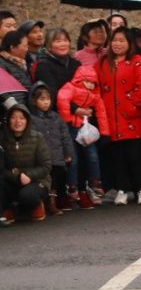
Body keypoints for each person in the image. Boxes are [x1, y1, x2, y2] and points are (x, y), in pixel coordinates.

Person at [96, 28, 141, 205]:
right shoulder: (103, 62)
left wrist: (132, 104)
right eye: (115, 40)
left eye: (122, 40)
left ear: (129, 43)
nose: (117, 44)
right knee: (118, 157)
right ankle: (122, 189)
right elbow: (95, 82)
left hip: (132, 116)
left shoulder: (137, 61)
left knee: (135, 156)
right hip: (111, 118)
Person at [57, 65, 110, 209]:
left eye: (93, 82)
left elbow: (101, 112)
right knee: (73, 159)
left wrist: (105, 132)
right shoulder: (71, 88)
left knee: (92, 156)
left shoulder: (95, 95)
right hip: (71, 128)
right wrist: (68, 118)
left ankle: (95, 181)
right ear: (80, 79)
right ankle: (72, 185)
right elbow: (62, 99)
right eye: (88, 81)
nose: (90, 84)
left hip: (84, 128)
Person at [28, 82, 73, 215]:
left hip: (57, 155)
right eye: (42, 99)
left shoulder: (56, 117)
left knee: (57, 177)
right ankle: (43, 203)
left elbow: (65, 136)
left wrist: (68, 153)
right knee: (44, 179)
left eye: (48, 99)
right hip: (42, 157)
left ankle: (53, 202)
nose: (46, 102)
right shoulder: (31, 118)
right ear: (34, 101)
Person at [2, 103, 51, 222]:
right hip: (14, 179)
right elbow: (2, 168)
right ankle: (6, 209)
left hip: (37, 180)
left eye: (22, 118)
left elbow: (46, 165)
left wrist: (28, 175)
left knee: (27, 196)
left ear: (27, 120)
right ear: (8, 120)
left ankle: (36, 204)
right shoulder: (3, 139)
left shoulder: (37, 137)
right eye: (13, 117)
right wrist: (17, 176)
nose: (17, 121)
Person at [34, 28, 81, 104]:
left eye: (65, 40)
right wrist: (75, 109)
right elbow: (52, 94)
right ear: (49, 46)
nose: (63, 44)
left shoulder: (76, 64)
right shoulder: (43, 66)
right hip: (57, 110)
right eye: (58, 41)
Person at [0, 29, 32, 104]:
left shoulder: (23, 62)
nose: (27, 49)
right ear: (13, 48)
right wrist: (14, 106)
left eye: (27, 46)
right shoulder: (2, 64)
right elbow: (3, 91)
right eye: (25, 46)